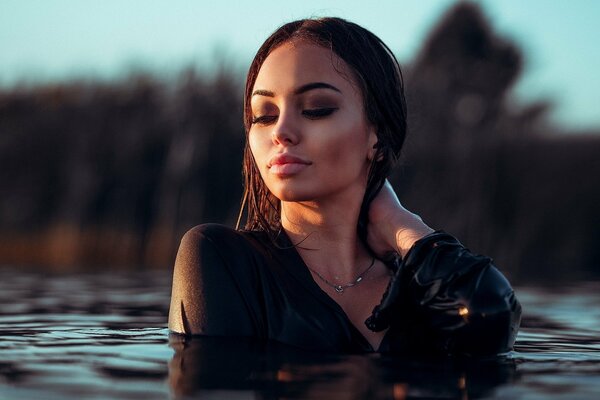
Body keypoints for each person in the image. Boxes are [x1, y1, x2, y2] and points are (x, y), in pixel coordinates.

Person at [168, 17, 521, 355]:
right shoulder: (220, 258)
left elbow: (491, 318)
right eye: (265, 115)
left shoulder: (424, 289)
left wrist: (398, 223)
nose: (280, 132)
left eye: (317, 109)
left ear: (377, 136)